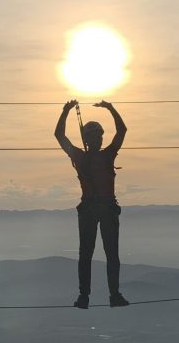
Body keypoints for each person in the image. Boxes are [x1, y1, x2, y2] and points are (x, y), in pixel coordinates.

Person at [54, 99, 129, 308]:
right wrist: (111, 109)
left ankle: (86, 296)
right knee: (108, 254)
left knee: (87, 254)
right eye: (95, 137)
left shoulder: (80, 157)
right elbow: (122, 131)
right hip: (104, 209)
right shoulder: (105, 156)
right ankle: (112, 295)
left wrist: (66, 111)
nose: (97, 140)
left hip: (90, 209)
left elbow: (59, 136)